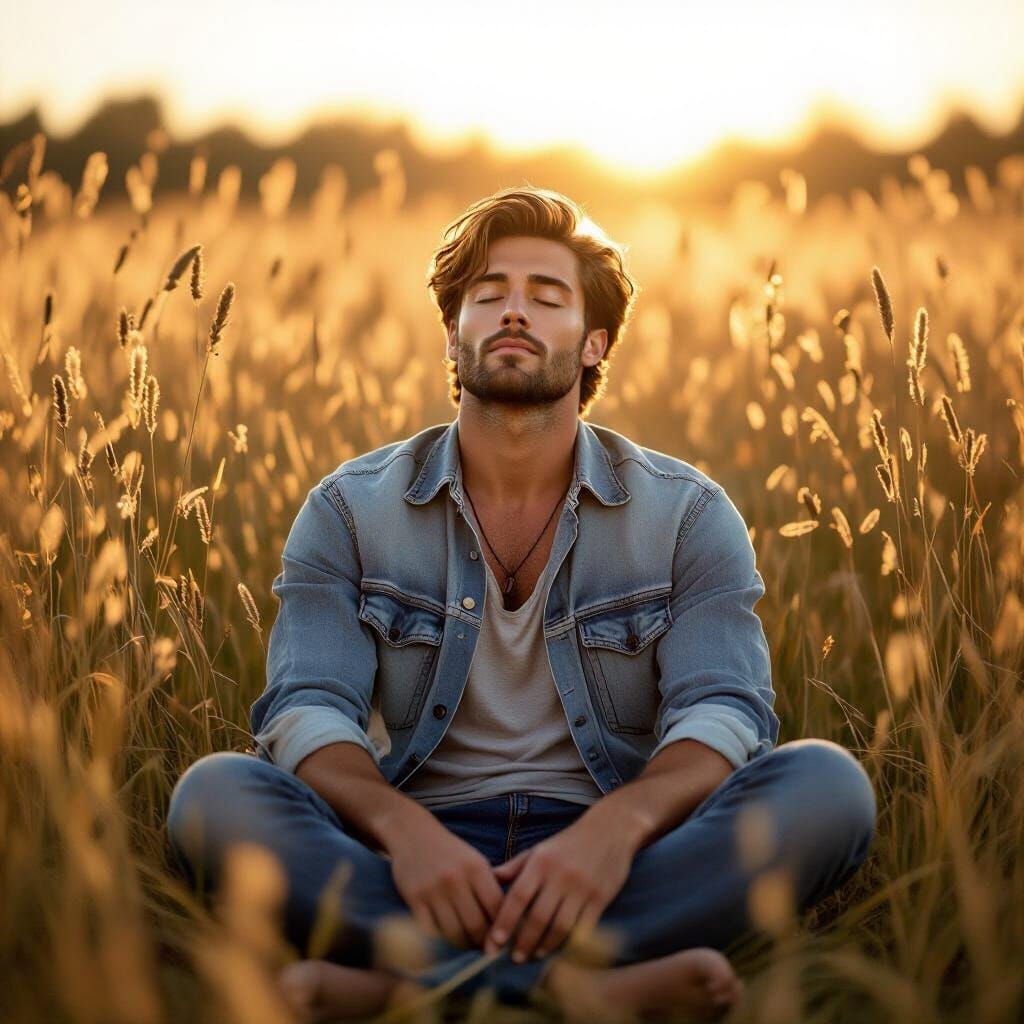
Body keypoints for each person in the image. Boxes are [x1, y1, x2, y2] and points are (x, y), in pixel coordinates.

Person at [166, 186, 877, 1022]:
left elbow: (724, 710)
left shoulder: (686, 513)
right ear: (453, 330)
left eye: (547, 297)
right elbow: (305, 709)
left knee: (829, 788)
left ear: (593, 342)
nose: (513, 313)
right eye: (488, 294)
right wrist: (406, 834)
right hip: (416, 854)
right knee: (213, 797)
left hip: (620, 853)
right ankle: (578, 985)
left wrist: (612, 834)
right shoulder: (349, 509)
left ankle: (409, 985)